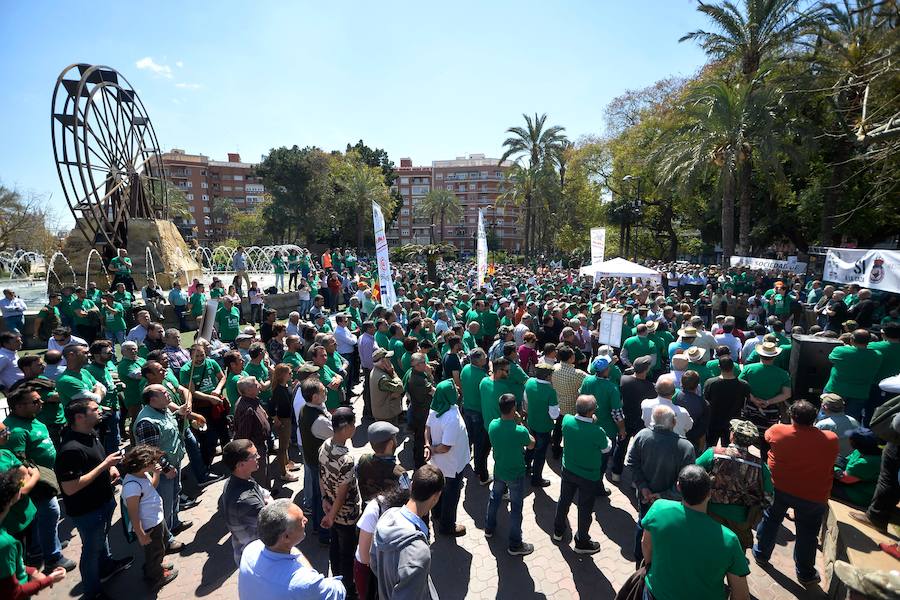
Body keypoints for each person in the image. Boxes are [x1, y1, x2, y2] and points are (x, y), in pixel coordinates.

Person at [753, 400, 838, 586]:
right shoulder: (831, 438)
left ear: (792, 417)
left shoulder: (777, 430)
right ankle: (805, 573)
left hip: (779, 488)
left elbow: (767, 437)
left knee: (770, 520)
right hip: (813, 494)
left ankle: (761, 554)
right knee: (807, 534)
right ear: (814, 418)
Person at [55, 399, 133, 599]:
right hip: (88, 510)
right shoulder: (70, 448)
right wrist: (105, 465)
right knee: (91, 550)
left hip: (103, 500)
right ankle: (92, 591)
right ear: (79, 417)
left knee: (101, 539)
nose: (102, 411)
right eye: (95, 409)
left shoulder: (90, 433)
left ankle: (106, 566)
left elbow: (98, 457)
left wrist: (111, 467)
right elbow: (70, 488)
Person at [640, 466, 751, 600]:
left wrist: (653, 568)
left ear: (679, 487)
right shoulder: (729, 539)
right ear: (709, 493)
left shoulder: (659, 508)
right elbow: (741, 595)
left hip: (656, 593)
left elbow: (645, 545)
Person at [3, 386, 74, 573]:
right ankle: (52, 557)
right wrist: (33, 478)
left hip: (47, 475)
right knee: (50, 513)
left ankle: (47, 545)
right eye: (35, 401)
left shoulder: (34, 419)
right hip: (38, 484)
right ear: (18, 406)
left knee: (46, 518)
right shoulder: (16, 430)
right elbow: (17, 464)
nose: (41, 402)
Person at [626, 404, 697, 565]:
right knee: (668, 531)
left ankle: (640, 561)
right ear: (673, 422)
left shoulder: (642, 436)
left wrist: (643, 487)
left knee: (644, 523)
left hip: (645, 497)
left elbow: (632, 462)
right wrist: (663, 495)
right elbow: (686, 479)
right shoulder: (686, 447)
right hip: (672, 502)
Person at [238, 499, 346, 600]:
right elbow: (338, 591)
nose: (306, 520)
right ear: (286, 537)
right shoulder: (304, 582)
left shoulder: (251, 549)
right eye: (300, 520)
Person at [695, 419, 773, 549]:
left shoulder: (714, 453)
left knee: (706, 548)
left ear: (732, 435)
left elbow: (692, 473)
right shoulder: (760, 466)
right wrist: (755, 515)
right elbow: (769, 496)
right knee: (733, 553)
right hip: (741, 520)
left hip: (710, 512)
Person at [370, 465, 443, 600]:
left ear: (411, 486)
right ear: (436, 497)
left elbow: (374, 562)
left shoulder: (387, 516)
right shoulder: (419, 553)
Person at [134, 383, 190, 550]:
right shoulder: (146, 422)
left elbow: (169, 427)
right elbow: (150, 452)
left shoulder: (163, 410)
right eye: (164, 393)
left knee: (175, 494)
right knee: (163, 503)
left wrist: (179, 414)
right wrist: (166, 468)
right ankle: (166, 539)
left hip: (174, 461)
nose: (169, 394)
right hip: (164, 470)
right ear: (152, 400)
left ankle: (174, 523)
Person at [552, 394, 609, 554]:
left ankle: (558, 531)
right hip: (588, 476)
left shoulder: (567, 420)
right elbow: (606, 448)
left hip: (568, 469)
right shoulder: (597, 431)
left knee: (564, 500)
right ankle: (582, 541)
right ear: (591, 412)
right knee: (584, 508)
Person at [0, 468, 66, 597]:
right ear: (12, 498)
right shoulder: (5, 544)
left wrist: (32, 571)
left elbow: (9, 566)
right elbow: (14, 593)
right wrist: (49, 580)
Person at [120, 444, 179, 588]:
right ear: (144, 464)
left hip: (157, 518)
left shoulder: (142, 474)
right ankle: (155, 577)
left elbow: (151, 487)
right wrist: (141, 534)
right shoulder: (131, 486)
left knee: (161, 543)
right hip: (149, 525)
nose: (156, 464)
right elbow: (133, 514)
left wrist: (156, 474)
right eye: (153, 462)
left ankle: (156, 565)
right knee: (154, 550)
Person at [485, 393, 535, 556]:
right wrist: (520, 422)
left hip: (499, 469)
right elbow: (532, 444)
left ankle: (489, 528)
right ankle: (515, 544)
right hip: (516, 472)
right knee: (516, 509)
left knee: (494, 498)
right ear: (514, 409)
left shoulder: (493, 425)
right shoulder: (519, 430)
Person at [318, 407, 360, 599]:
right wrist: (332, 516)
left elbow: (321, 476)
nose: (355, 427)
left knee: (335, 547)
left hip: (330, 507)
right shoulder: (347, 459)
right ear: (345, 427)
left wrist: (324, 499)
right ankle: (347, 591)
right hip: (345, 514)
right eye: (353, 423)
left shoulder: (325, 445)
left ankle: (335, 580)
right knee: (347, 554)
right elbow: (343, 494)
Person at [425, 377, 468, 537]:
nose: (457, 390)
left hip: (439, 464)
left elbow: (427, 427)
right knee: (451, 495)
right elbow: (445, 447)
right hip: (452, 466)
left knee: (439, 490)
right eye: (454, 389)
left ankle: (436, 514)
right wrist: (431, 448)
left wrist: (427, 445)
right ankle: (447, 526)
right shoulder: (451, 419)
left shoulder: (437, 406)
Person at [220, 439, 273, 565]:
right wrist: (270, 505)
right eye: (254, 456)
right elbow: (274, 522)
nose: (258, 457)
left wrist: (269, 503)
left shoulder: (238, 479)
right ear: (240, 465)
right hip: (257, 560)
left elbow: (264, 493)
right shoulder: (246, 501)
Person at [612, 355, 656, 482]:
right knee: (639, 453)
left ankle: (616, 473)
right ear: (646, 370)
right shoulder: (651, 387)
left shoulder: (623, 380)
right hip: (640, 422)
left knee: (620, 446)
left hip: (625, 420)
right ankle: (635, 481)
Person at [824, 329, 883, 422]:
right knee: (851, 421)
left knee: (826, 418)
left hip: (836, 390)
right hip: (860, 393)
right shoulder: (877, 355)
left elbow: (831, 359)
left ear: (851, 339)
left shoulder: (840, 350)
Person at [703, 357, 751, 448]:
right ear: (733, 367)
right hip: (733, 424)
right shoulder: (744, 385)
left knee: (709, 448)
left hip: (713, 422)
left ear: (719, 367)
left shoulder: (710, 383)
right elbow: (748, 401)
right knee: (729, 451)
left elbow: (705, 401)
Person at [523, 362, 557, 487]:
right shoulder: (550, 392)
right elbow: (554, 415)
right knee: (540, 454)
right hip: (544, 427)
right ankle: (536, 479)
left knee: (530, 447)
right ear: (548, 376)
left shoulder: (530, 382)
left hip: (531, 422)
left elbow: (525, 400)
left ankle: (526, 468)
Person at [549, 345, 587, 459]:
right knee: (571, 432)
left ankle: (555, 450)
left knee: (557, 430)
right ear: (570, 358)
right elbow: (591, 380)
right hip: (572, 408)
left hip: (559, 404)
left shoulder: (554, 367)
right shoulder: (578, 373)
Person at [356, 422, 406, 503]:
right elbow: (409, 497)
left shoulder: (363, 460)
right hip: (390, 514)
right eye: (395, 437)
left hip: (369, 511)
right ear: (390, 444)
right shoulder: (400, 473)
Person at [832, 428, 883, 508]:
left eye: (852, 439)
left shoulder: (867, 462)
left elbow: (845, 478)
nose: (849, 440)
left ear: (858, 443)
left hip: (859, 494)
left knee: (821, 485)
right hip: (853, 484)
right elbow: (845, 460)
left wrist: (834, 468)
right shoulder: (860, 451)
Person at [815, 393, 861, 467]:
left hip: (830, 463)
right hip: (851, 462)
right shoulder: (854, 421)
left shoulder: (822, 425)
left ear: (824, 407)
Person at [369, 348, 404, 426]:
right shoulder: (383, 378)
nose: (390, 360)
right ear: (382, 361)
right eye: (388, 358)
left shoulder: (376, 370)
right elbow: (400, 388)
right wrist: (393, 374)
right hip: (386, 415)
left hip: (383, 413)